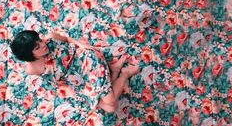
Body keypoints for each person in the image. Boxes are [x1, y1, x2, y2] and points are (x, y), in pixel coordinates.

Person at [9, 30, 140, 113]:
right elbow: (52, 78)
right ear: (29, 55)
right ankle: (114, 71)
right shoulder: (32, 69)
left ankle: (125, 74)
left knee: (110, 99)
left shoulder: (51, 38)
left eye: (39, 40)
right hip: (76, 79)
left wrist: (82, 45)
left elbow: (66, 39)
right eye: (38, 47)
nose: (43, 44)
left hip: (85, 61)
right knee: (110, 108)